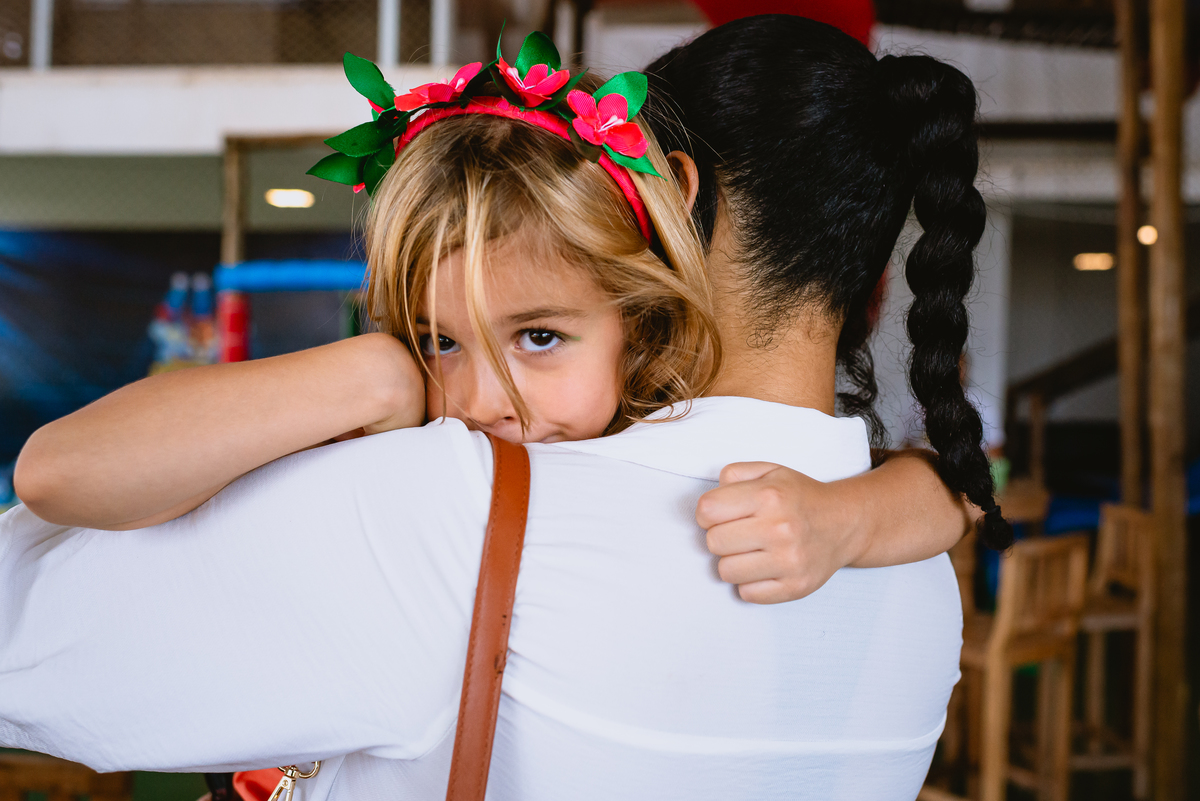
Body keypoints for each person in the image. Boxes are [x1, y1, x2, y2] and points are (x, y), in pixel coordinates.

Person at [0, 18, 996, 799]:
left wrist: (372, 378)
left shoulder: (455, 511)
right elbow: (952, 496)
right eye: (440, 343)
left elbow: (25, 624)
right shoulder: (910, 575)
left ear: (669, 195)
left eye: (538, 335)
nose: (484, 398)